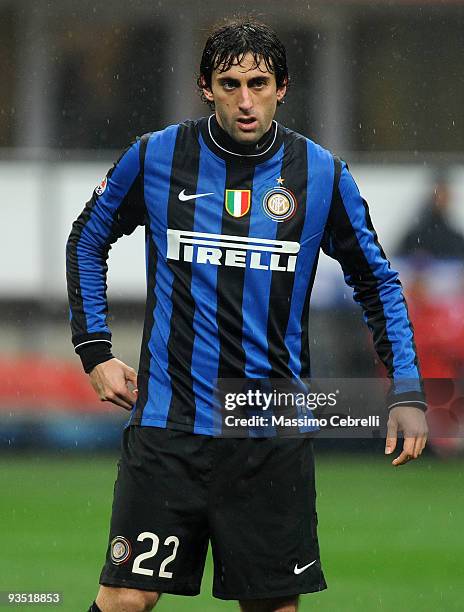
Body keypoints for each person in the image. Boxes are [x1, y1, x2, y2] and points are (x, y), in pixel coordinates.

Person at [66, 18, 428, 612]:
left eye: (258, 83)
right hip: (169, 426)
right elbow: (87, 239)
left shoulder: (322, 176)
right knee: (128, 596)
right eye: (229, 83)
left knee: (272, 608)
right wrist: (95, 350)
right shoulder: (157, 156)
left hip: (269, 434)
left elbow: (378, 282)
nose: (244, 100)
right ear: (204, 86)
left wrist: (408, 390)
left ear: (282, 87)